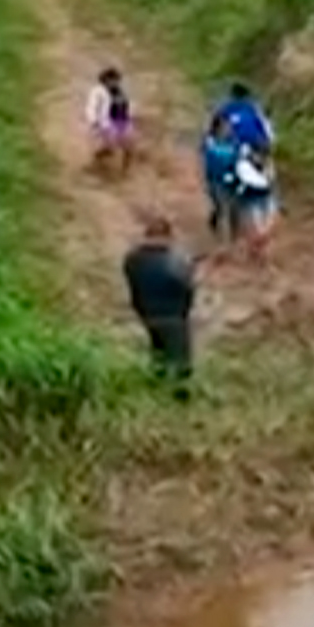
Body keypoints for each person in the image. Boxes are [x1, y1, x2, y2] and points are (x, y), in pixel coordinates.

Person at [122, 217, 198, 399]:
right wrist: (185, 310)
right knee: (180, 359)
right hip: (173, 315)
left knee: (158, 349)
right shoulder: (177, 260)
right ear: (168, 236)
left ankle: (155, 387)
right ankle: (179, 395)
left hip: (146, 313)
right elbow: (187, 288)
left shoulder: (132, 259)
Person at [231, 144, 279, 265]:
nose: (262, 158)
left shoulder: (268, 164)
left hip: (266, 198)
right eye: (260, 155)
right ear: (253, 154)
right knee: (257, 229)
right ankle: (257, 252)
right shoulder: (243, 165)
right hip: (251, 200)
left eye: (265, 155)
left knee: (267, 228)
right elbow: (252, 182)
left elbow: (271, 181)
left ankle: (259, 251)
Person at [84, 67, 135, 176]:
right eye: (112, 80)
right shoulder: (98, 91)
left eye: (116, 80)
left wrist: (131, 116)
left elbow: (127, 104)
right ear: (106, 79)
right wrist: (94, 121)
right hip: (107, 123)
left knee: (129, 147)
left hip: (123, 121)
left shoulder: (121, 90)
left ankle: (125, 171)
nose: (115, 82)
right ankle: (96, 159)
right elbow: (91, 107)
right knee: (111, 149)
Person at [200, 114, 241, 243]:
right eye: (224, 126)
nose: (227, 129)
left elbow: (238, 158)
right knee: (222, 207)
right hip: (215, 180)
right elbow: (210, 158)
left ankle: (234, 237)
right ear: (217, 128)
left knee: (234, 208)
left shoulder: (234, 141)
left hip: (232, 179)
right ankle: (219, 234)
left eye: (229, 127)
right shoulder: (210, 142)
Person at [212, 81, 274, 155]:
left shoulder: (228, 106)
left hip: (238, 142)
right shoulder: (254, 107)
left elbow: (216, 122)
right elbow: (266, 127)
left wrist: (213, 135)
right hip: (258, 142)